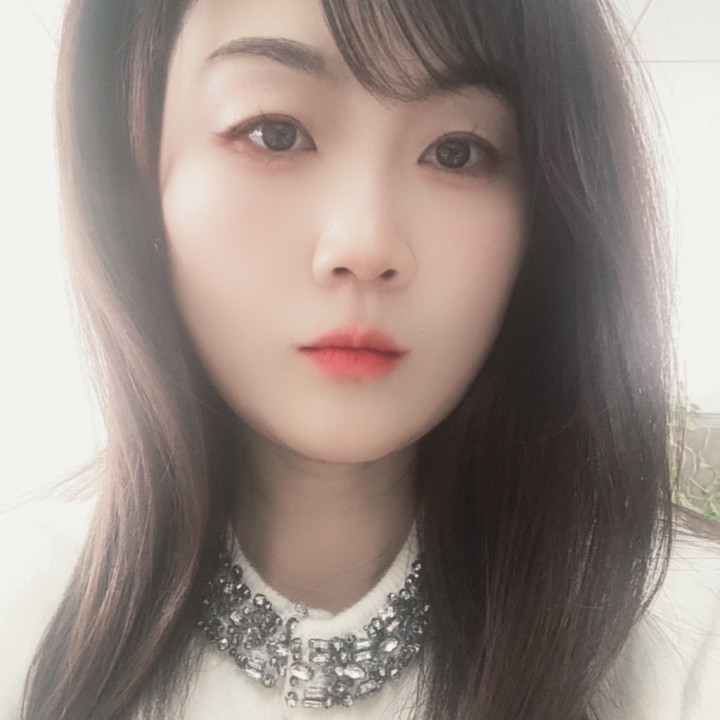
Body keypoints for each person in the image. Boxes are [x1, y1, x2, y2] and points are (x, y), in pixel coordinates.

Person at [1, 0, 719, 718]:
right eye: (275, 133)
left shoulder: (688, 643)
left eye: (457, 151)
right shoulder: (20, 606)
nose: (366, 244)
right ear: (135, 168)